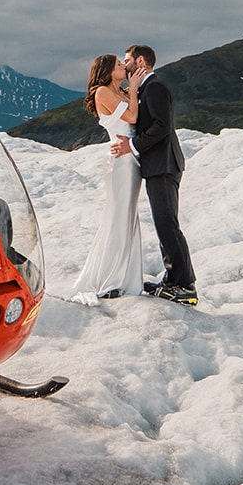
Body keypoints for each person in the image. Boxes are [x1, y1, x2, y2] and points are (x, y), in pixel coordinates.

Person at [111, 44, 197, 305]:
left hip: (164, 164)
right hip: (158, 165)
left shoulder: (156, 87)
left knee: (167, 223)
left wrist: (132, 146)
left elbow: (162, 126)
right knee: (163, 223)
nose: (124, 65)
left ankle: (185, 286)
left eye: (126, 60)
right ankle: (172, 280)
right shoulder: (146, 87)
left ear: (140, 61)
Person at [66, 53, 145, 304]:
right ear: (109, 70)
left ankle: (125, 277)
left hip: (130, 159)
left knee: (128, 216)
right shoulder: (102, 91)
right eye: (120, 65)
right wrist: (133, 89)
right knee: (118, 216)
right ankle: (111, 279)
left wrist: (130, 90)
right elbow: (132, 118)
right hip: (120, 162)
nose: (124, 67)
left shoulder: (119, 91)